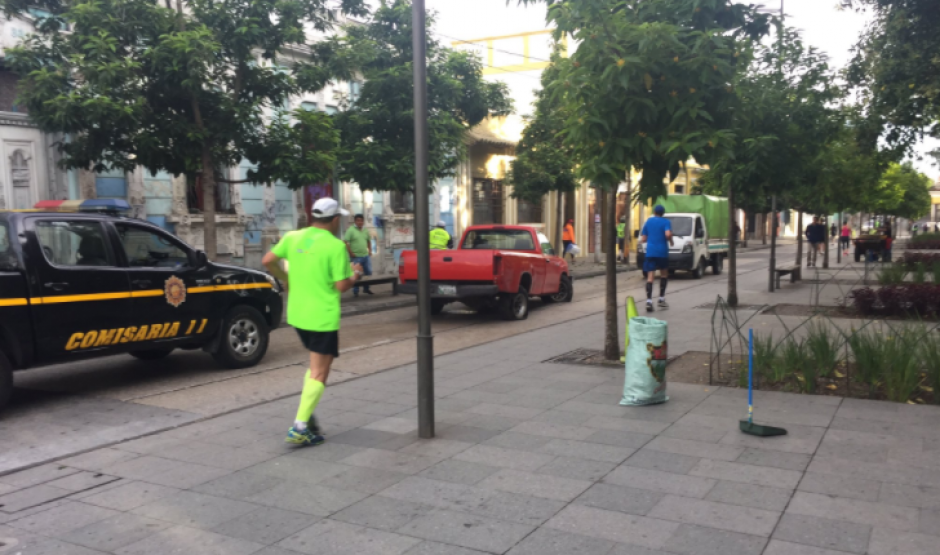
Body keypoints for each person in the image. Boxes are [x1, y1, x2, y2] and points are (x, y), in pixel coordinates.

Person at [263, 198, 363, 446]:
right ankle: (299, 427)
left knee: (314, 367)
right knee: (320, 372)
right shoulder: (335, 246)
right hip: (322, 317)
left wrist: (285, 278)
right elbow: (341, 286)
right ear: (335, 219)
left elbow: (267, 261)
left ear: (313, 216)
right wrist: (355, 275)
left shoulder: (293, 237)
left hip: (298, 315)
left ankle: (307, 417)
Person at [640, 205, 673, 312]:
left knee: (650, 278)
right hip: (662, 253)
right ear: (663, 213)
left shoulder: (648, 222)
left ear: (654, 212)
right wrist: (671, 240)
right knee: (664, 275)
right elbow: (668, 234)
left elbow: (644, 239)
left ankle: (649, 301)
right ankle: (661, 299)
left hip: (650, 252)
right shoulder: (666, 222)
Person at [344, 214, 373, 297]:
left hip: (365, 256)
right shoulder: (351, 230)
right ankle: (355, 291)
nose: (360, 222)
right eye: (358, 220)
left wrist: (370, 250)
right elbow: (346, 242)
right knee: (357, 274)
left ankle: (366, 288)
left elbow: (368, 241)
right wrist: (350, 253)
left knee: (368, 272)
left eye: (361, 220)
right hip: (356, 256)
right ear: (355, 221)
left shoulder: (365, 230)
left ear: (363, 221)